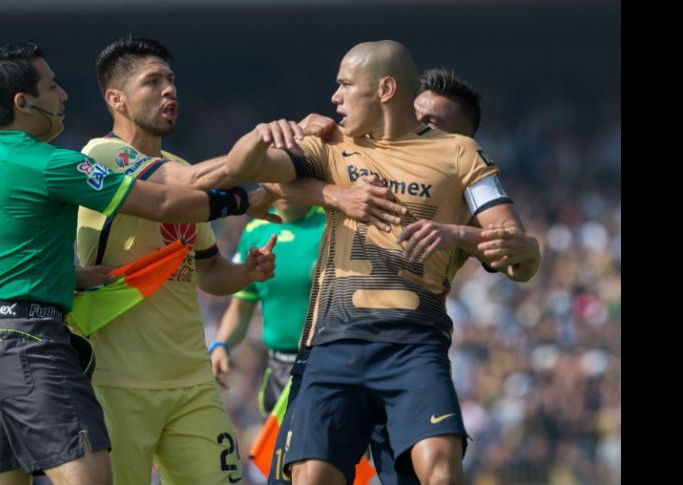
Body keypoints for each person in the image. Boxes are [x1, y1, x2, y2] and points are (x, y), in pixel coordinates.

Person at [223, 40, 541, 485]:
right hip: (333, 341)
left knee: (441, 472)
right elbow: (262, 180)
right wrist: (324, 184)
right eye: (419, 113)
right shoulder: (339, 145)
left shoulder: (459, 158)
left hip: (413, 344)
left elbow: (519, 253)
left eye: (433, 123)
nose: (421, 124)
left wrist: (455, 234)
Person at [0, 41, 260, 484]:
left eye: (171, 80)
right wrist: (251, 189)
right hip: (49, 351)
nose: (64, 95)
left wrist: (66, 276)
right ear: (23, 101)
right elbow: (167, 199)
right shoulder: (68, 161)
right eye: (52, 86)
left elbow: (4, 252)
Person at [74, 36, 281, 485]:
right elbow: (182, 187)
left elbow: (208, 271)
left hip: (192, 381)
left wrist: (246, 271)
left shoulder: (182, 168)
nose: (170, 90)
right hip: (116, 383)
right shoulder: (101, 156)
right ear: (116, 100)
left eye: (171, 80)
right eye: (153, 82)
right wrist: (260, 145)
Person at [210, 199, 325, 416]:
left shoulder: (330, 223)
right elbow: (241, 306)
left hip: (324, 367)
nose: (282, 185)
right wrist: (221, 345)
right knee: (275, 450)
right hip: (278, 369)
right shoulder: (255, 230)